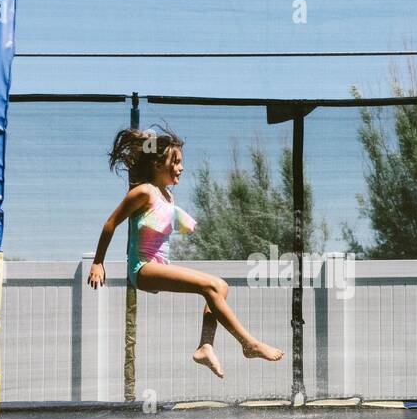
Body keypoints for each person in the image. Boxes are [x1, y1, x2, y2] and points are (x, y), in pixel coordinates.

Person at [87, 126, 284, 378]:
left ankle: (205, 347)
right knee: (211, 286)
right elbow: (110, 223)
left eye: (181, 162)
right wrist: (98, 262)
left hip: (159, 265)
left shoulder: (167, 196)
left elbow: (158, 219)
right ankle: (249, 343)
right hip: (143, 268)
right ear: (158, 164)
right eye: (176, 162)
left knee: (220, 287)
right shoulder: (143, 192)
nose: (181, 167)